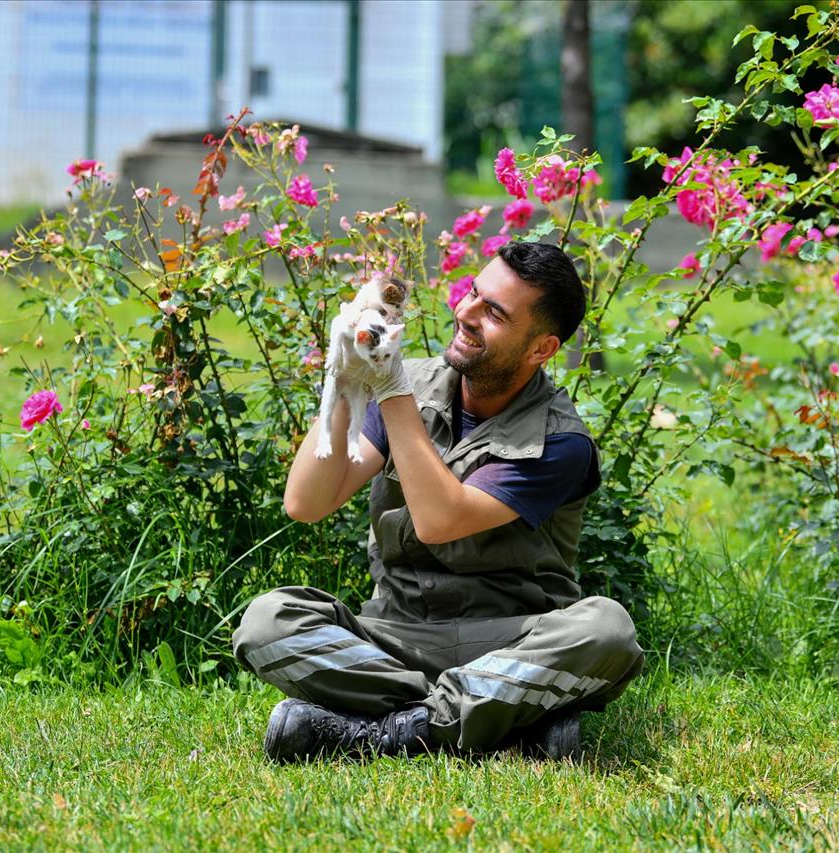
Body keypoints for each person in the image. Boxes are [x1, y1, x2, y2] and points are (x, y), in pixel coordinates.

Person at [233, 241, 645, 762]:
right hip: (394, 636)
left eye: (494, 312)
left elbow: (439, 520)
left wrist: (391, 388)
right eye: (474, 293)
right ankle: (504, 722)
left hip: (509, 643)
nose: (466, 313)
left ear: (542, 348)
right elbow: (307, 502)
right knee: (268, 621)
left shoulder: (560, 441)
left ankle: (371, 732)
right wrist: (343, 381)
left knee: (606, 632)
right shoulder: (416, 387)